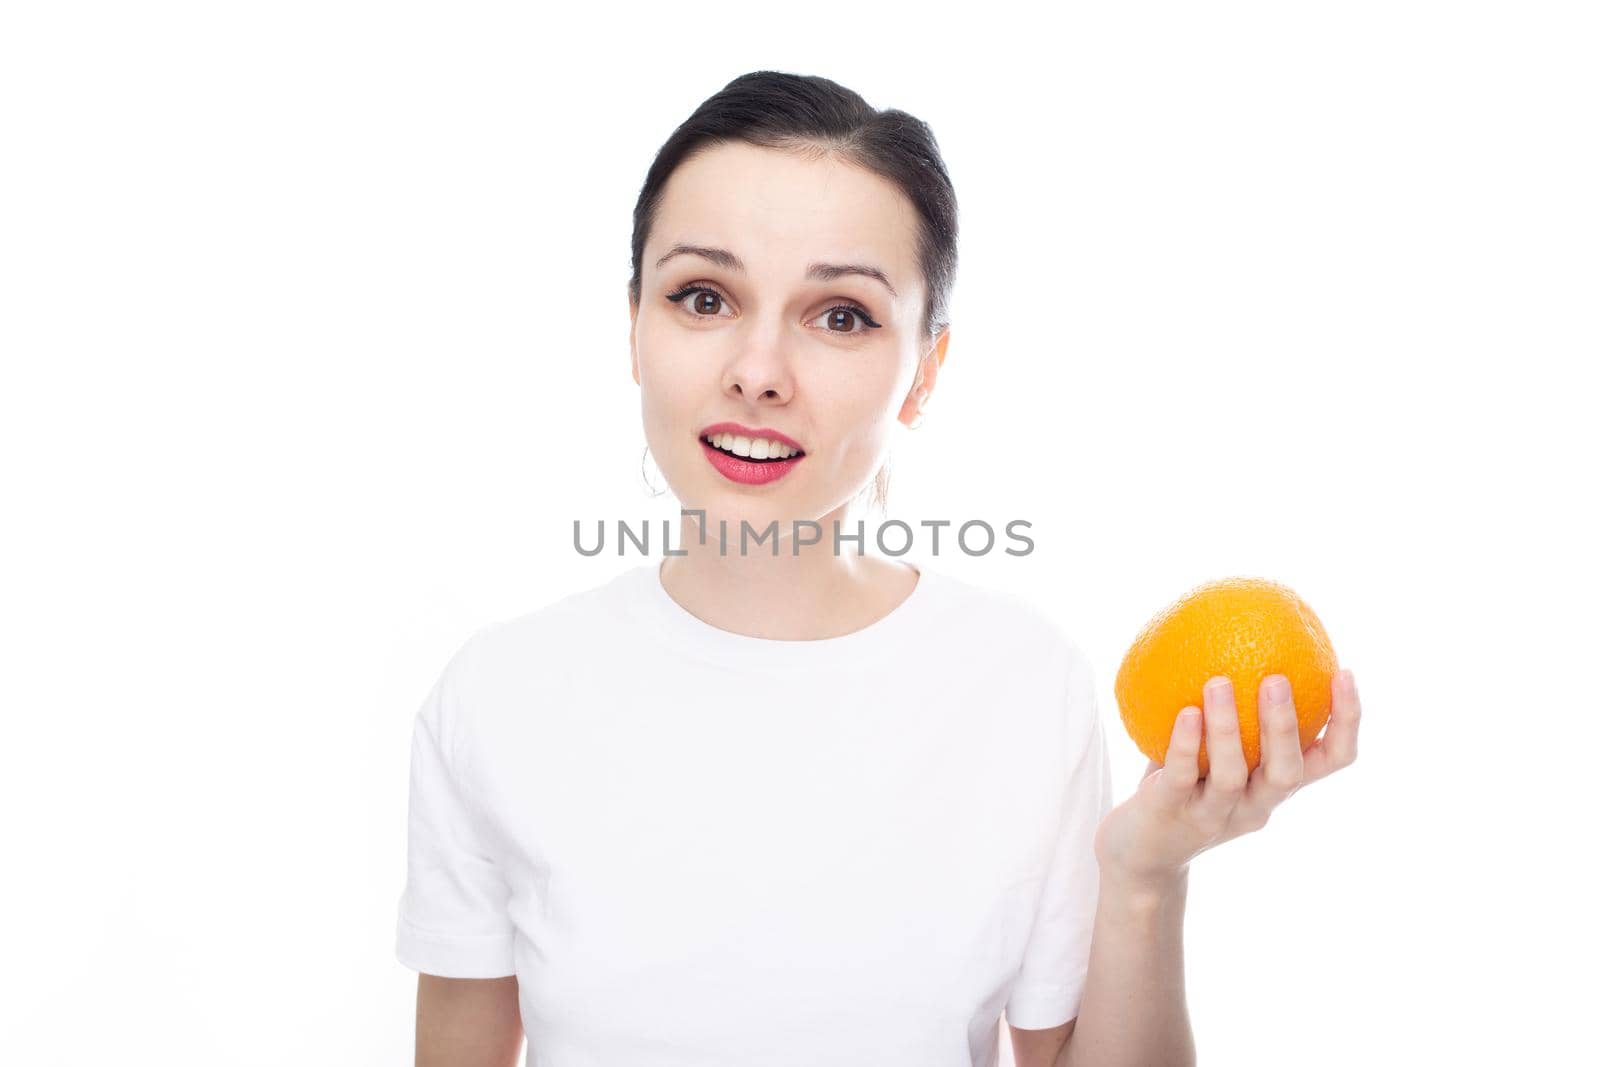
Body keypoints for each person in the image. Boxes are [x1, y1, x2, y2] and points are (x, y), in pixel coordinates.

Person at [395, 70, 1363, 1067]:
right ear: (634, 323)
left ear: (926, 370)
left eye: (842, 315)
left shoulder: (1023, 684)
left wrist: (1145, 879)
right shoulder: (499, 694)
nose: (758, 369)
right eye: (702, 296)